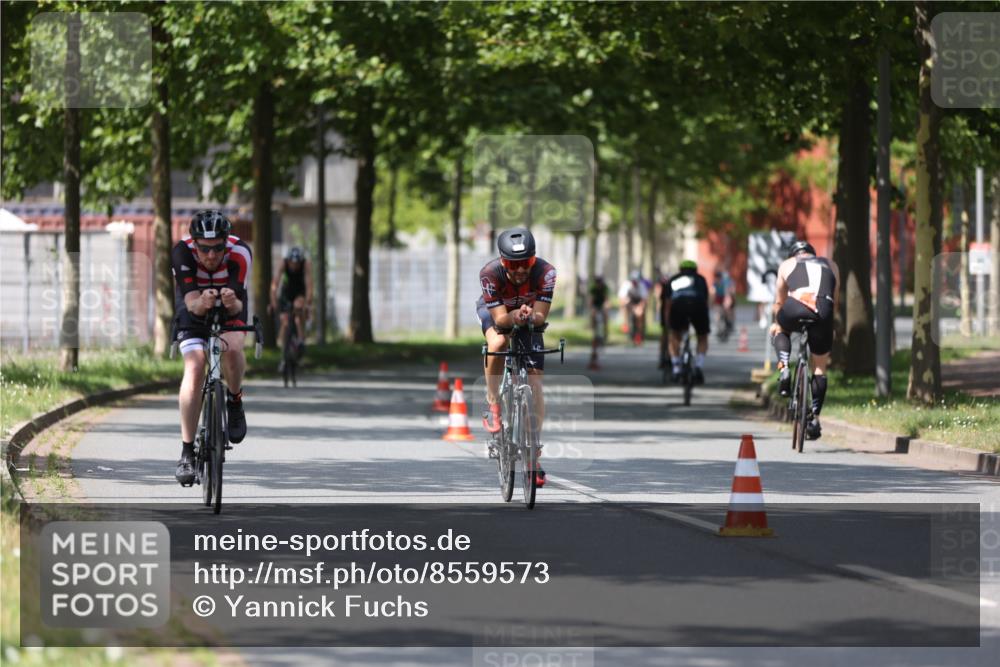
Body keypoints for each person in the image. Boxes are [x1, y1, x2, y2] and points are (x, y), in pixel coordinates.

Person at [170, 210, 252, 485]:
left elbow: (239, 305)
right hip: (194, 304)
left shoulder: (240, 252)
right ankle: (186, 452)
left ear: (225, 241)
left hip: (230, 305)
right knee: (194, 366)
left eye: (218, 247)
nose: (211, 255)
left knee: (231, 349)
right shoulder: (182, 252)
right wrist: (201, 303)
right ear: (195, 243)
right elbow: (191, 302)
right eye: (204, 249)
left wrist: (231, 301)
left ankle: (234, 399)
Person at [477, 227, 556, 488]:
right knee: (499, 341)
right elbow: (500, 320)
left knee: (535, 384)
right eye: (514, 264)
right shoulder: (490, 274)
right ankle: (494, 403)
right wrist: (515, 316)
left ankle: (533, 454)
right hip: (498, 311)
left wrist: (529, 317)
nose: (521, 270)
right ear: (502, 261)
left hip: (528, 315)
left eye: (527, 263)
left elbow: (541, 316)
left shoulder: (546, 273)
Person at [769, 241, 840, 440]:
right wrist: (829, 327)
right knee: (820, 367)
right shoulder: (831, 264)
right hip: (824, 308)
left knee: (780, 328)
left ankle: (783, 368)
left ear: (795, 254)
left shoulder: (787, 264)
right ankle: (815, 416)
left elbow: (779, 302)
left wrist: (777, 322)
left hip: (796, 304)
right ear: (812, 254)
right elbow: (836, 300)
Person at [660, 259, 711, 384]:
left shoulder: (673, 279)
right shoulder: (701, 279)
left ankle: (676, 368)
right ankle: (698, 366)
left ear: (680, 270)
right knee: (702, 337)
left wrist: (667, 323)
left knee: (674, 336)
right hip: (698, 307)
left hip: (678, 307)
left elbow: (667, 303)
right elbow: (705, 300)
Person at [269, 246, 313, 360]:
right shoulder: (283, 263)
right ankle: (283, 351)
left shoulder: (306, 264)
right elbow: (275, 284)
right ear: (288, 261)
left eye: (297, 263)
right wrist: (273, 302)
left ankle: (301, 341)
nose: (294, 266)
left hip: (300, 292)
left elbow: (309, 286)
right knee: (284, 320)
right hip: (287, 293)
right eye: (292, 263)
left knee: (298, 311)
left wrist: (308, 303)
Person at [617, 270, 649, 345]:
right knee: (624, 306)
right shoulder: (626, 285)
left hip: (638, 303)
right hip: (629, 303)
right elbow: (622, 299)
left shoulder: (642, 286)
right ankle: (625, 324)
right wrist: (629, 306)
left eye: (636, 281)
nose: (634, 283)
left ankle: (639, 334)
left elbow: (644, 300)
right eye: (633, 281)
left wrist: (639, 308)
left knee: (640, 314)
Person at [588, 275, 610, 370]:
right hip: (595, 306)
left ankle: (605, 331)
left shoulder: (605, 288)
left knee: (605, 314)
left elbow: (607, 300)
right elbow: (590, 301)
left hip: (602, 306)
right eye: (597, 283)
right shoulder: (593, 289)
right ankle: (592, 326)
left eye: (600, 283)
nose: (599, 285)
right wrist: (593, 309)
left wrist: (606, 308)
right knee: (593, 314)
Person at [713, 268, 736, 340]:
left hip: (726, 298)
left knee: (728, 312)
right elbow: (712, 293)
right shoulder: (715, 283)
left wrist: (729, 299)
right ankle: (719, 327)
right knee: (718, 314)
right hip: (719, 299)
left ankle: (730, 324)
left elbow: (729, 291)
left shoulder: (726, 282)